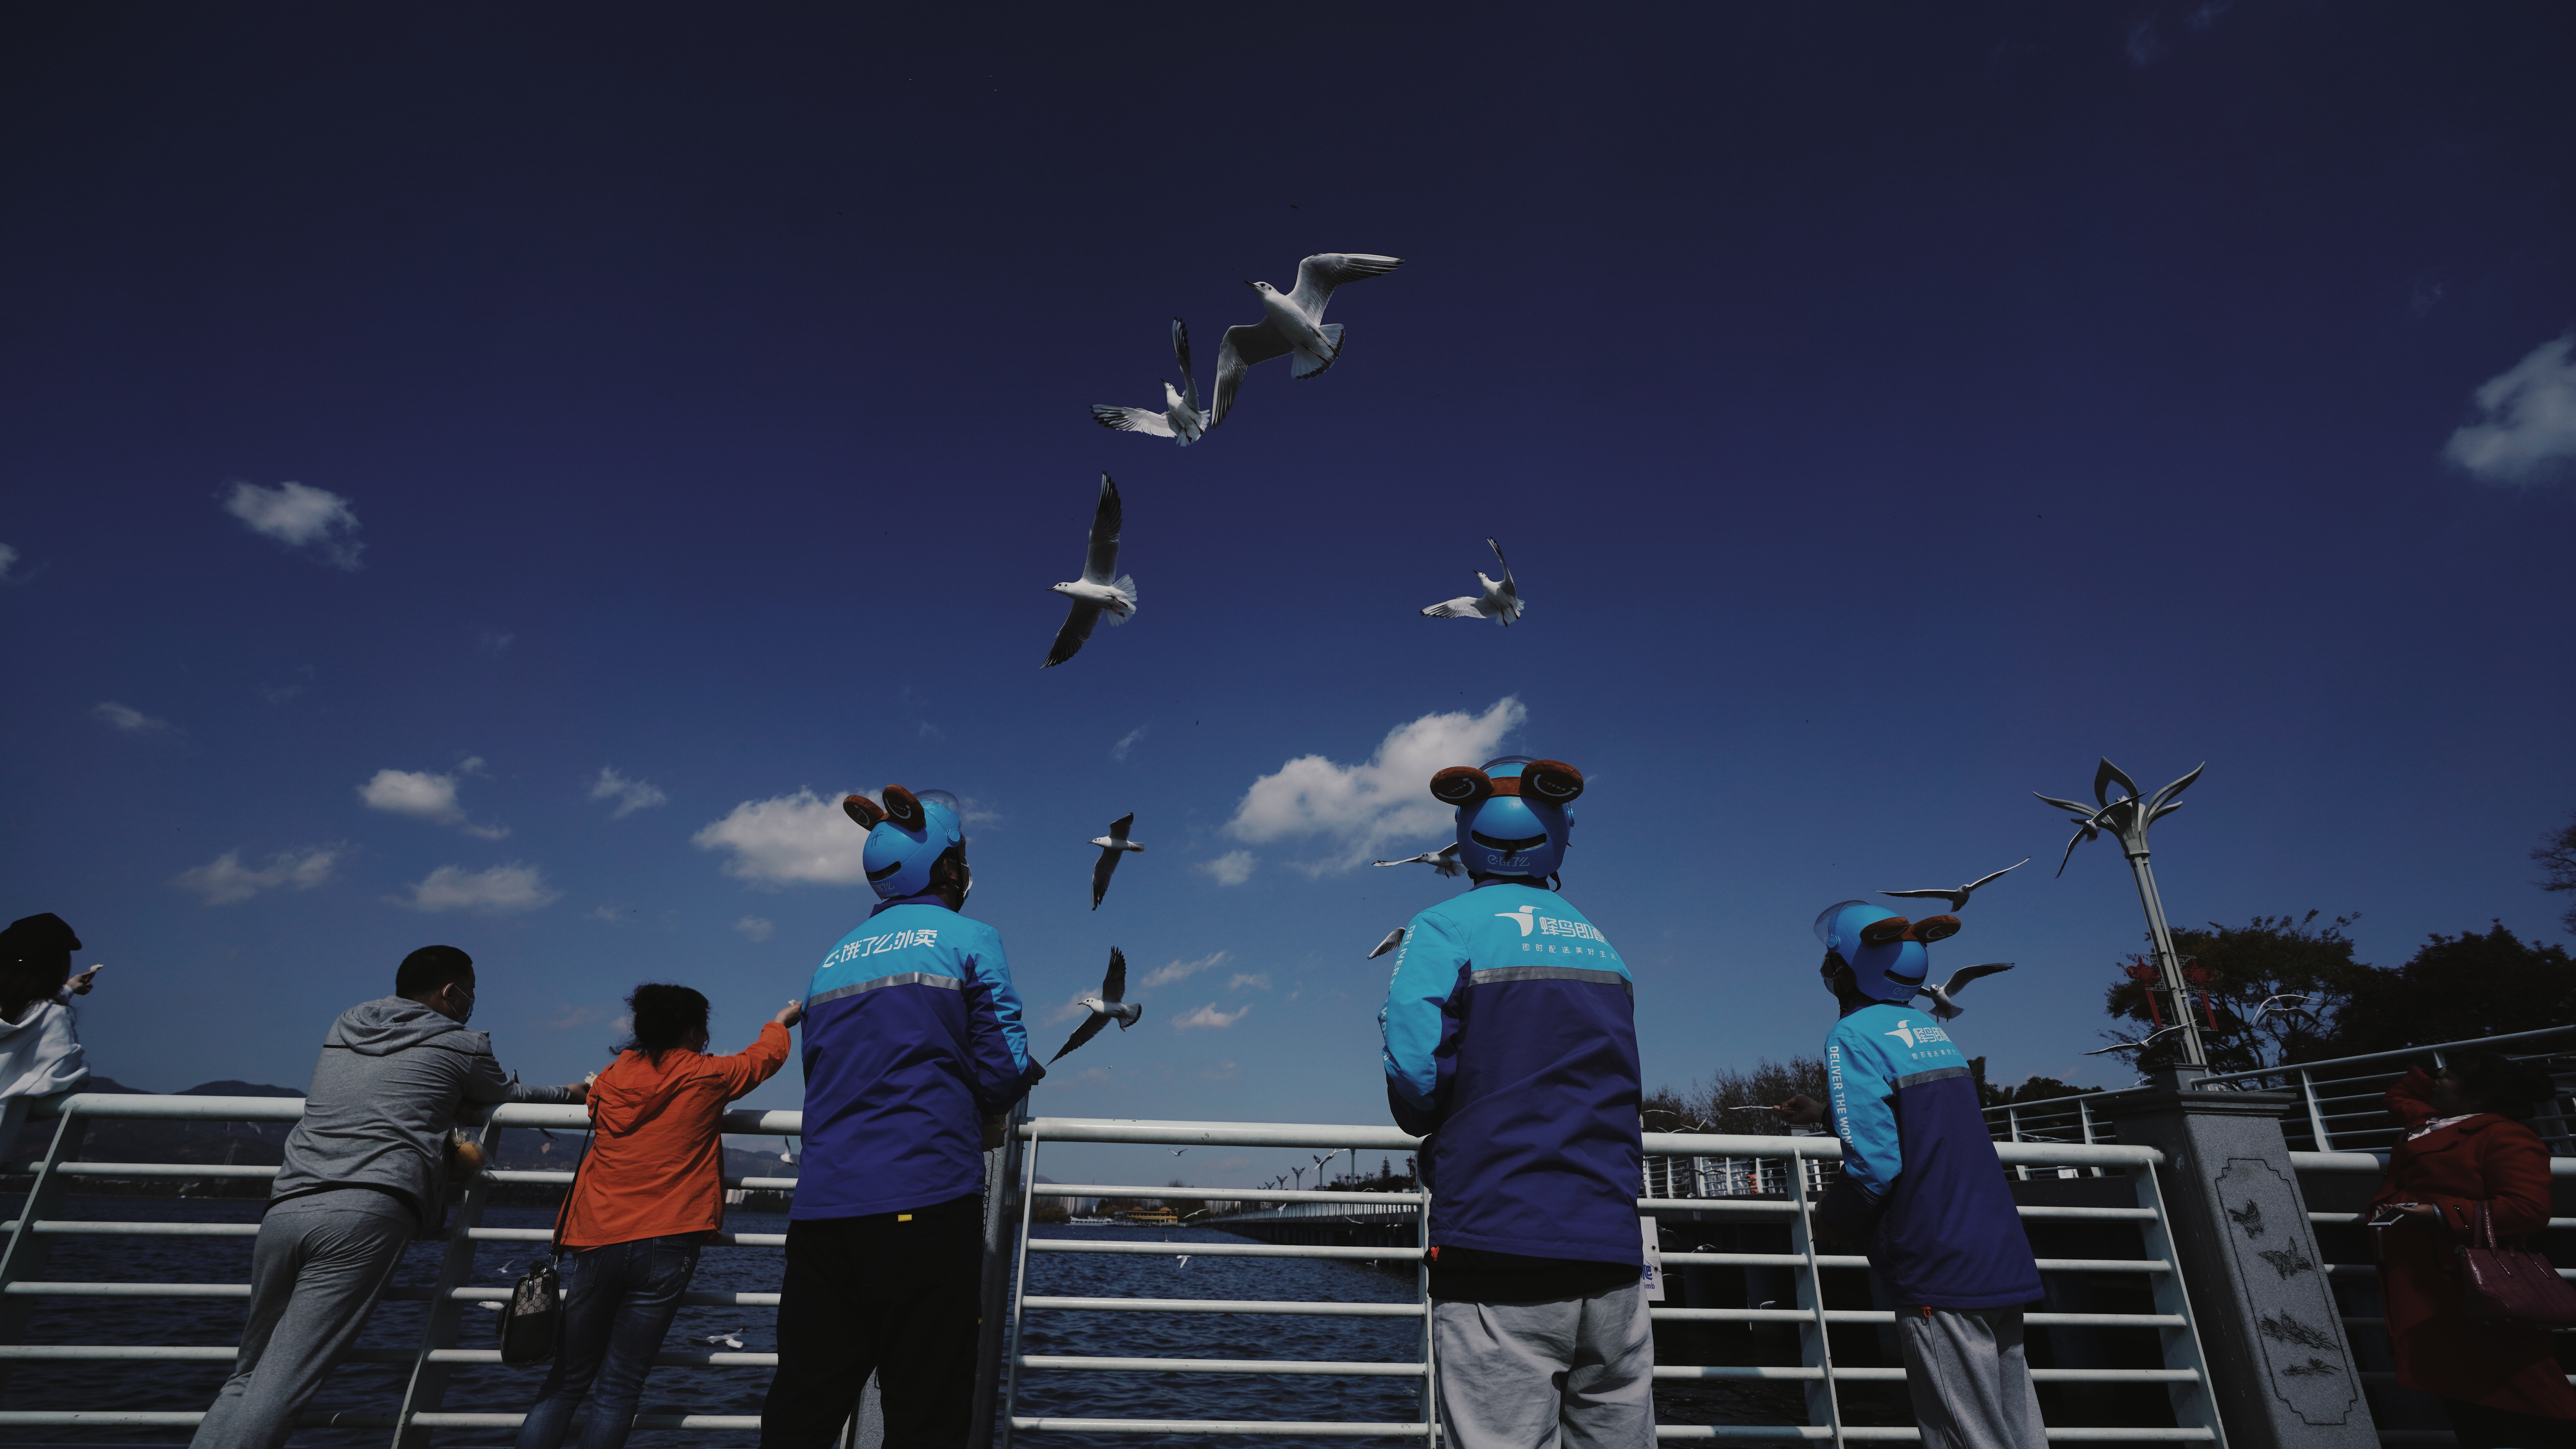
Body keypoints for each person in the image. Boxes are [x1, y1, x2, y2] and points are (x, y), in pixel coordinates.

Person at [192, 945, 586, 1449]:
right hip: (368, 1210)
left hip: (288, 1203)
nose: (472, 1001)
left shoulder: (345, 1026)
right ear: (451, 992)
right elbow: (506, 1095)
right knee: (283, 1384)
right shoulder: (461, 1044)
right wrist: (573, 1092)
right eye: (470, 990)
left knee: (247, 1374)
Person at [1377, 756, 1654, 1449]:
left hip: (1498, 1240)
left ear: (1465, 829)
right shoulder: (1604, 947)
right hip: (1612, 1253)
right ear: (1560, 833)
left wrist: (1429, 1115)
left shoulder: (1442, 927)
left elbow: (1414, 1077)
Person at [758, 786, 1045, 1449]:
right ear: (946, 868)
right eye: (961, 858)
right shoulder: (970, 938)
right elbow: (1003, 1068)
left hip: (823, 1215)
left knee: (804, 1407)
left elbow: (827, 1074)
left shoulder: (831, 960)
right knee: (927, 1411)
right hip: (924, 1202)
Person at [1778, 901, 2044, 1449]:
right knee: (2016, 1426)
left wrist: (1833, 1216)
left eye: (1833, 961)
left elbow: (1877, 1164)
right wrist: (1824, 1113)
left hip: (1936, 1259)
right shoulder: (1928, 1030)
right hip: (1997, 1250)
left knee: (1962, 1432)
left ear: (1848, 969)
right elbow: (1924, 1124)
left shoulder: (1851, 1035)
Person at [517, 984, 802, 1449]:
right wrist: (780, 1022)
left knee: (565, 1382)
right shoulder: (708, 1076)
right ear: (695, 1030)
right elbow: (763, 1059)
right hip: (668, 1239)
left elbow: (594, 1104)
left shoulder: (611, 1078)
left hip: (597, 1236)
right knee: (620, 1387)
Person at [2369, 1052, 2576, 1449]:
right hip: (2434, 1285)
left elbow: (2528, 1209)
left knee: (2520, 1398)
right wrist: (2439, 1071)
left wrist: (2435, 1212)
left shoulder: (2505, 1135)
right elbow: (2398, 1095)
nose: (2437, 1081)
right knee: (2470, 1400)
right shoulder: (2431, 1122)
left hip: (2473, 1287)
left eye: (2446, 1078)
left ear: (2478, 1096)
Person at [0, 912, 105, 1157]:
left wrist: (65, 991)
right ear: (57, 965)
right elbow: (67, 1078)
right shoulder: (53, 1016)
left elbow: (23, 1006)